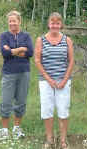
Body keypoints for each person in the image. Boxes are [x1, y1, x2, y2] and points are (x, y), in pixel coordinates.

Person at [34, 12, 74, 149]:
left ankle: (63, 140)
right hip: (46, 81)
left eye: (57, 23)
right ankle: (49, 139)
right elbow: (37, 60)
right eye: (52, 23)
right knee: (47, 110)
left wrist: (65, 79)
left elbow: (71, 61)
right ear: (48, 24)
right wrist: (48, 79)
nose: (54, 25)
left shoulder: (67, 40)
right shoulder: (41, 40)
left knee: (63, 109)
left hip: (63, 80)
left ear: (61, 24)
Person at [0, 11, 34, 139]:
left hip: (24, 72)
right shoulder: (4, 36)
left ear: (19, 21)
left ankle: (17, 128)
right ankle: (4, 130)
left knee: (21, 100)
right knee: (6, 101)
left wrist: (13, 50)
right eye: (10, 21)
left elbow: (30, 52)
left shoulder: (26, 36)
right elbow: (4, 53)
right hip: (9, 73)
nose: (12, 23)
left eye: (14, 21)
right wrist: (21, 49)